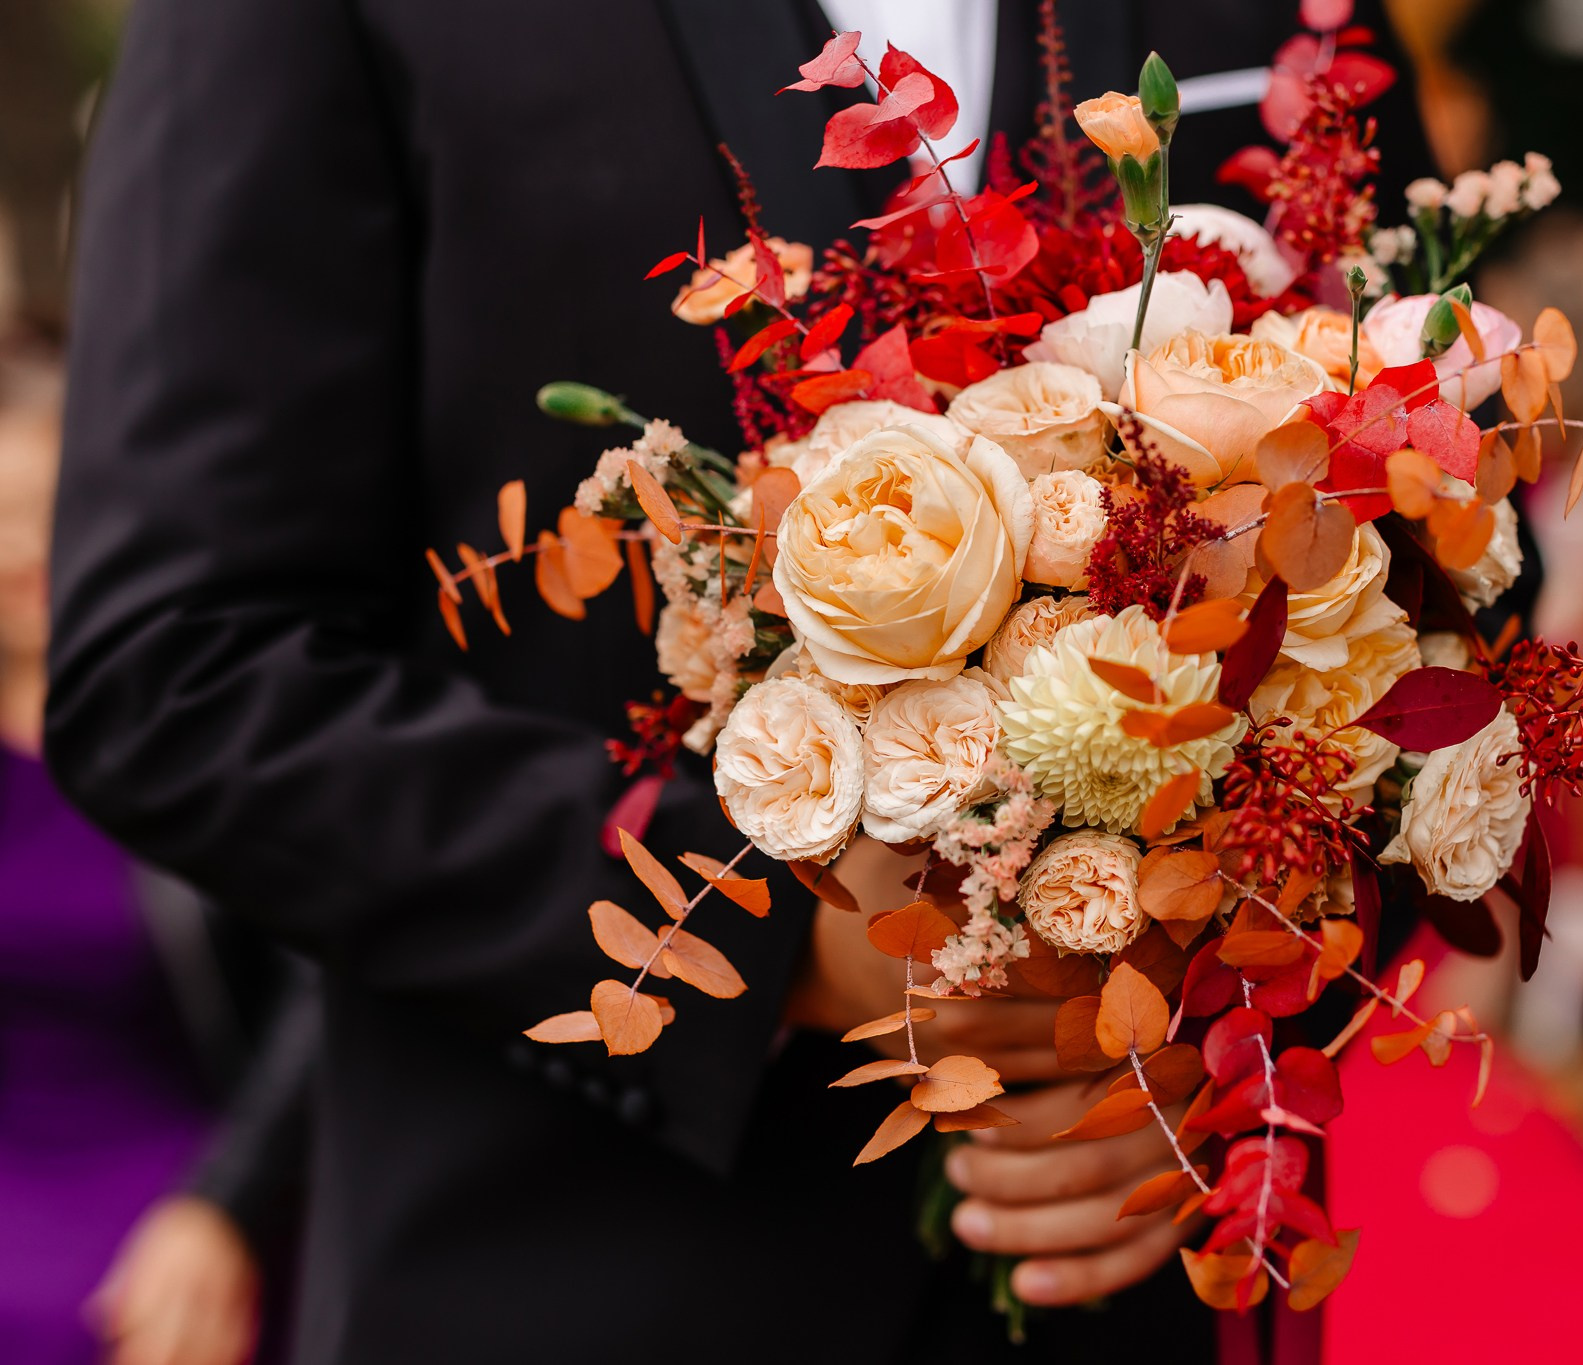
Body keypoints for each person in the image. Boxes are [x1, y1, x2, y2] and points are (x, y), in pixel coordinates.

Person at [45, 3, 1437, 1362]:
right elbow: (177, 662)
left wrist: (1228, 997)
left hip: (1142, 1283)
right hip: (572, 1272)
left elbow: (1448, 552)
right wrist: (782, 945)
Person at [0, 326, 310, 1365]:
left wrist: (221, 1210)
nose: (22, 552)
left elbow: (317, 991)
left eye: (48, 511)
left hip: (188, 1193)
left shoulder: (204, 729)